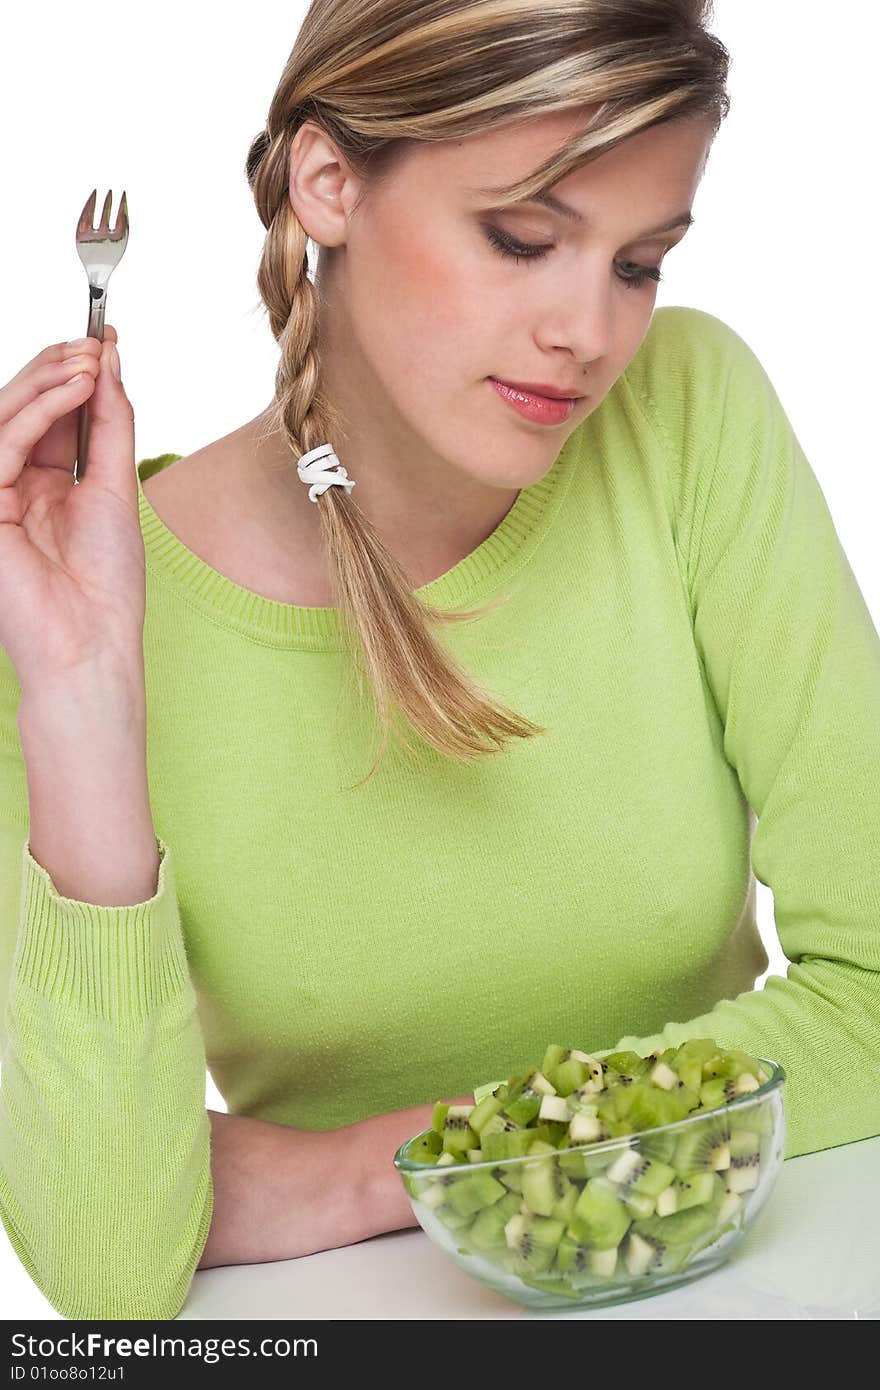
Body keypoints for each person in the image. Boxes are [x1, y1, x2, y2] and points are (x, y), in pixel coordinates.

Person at [1, 0, 878, 1322]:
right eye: (521, 238)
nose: (587, 332)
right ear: (329, 180)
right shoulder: (80, 596)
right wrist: (80, 689)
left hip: (745, 1290)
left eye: (638, 264)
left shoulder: (688, 413)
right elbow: (116, 1265)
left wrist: (358, 1170)